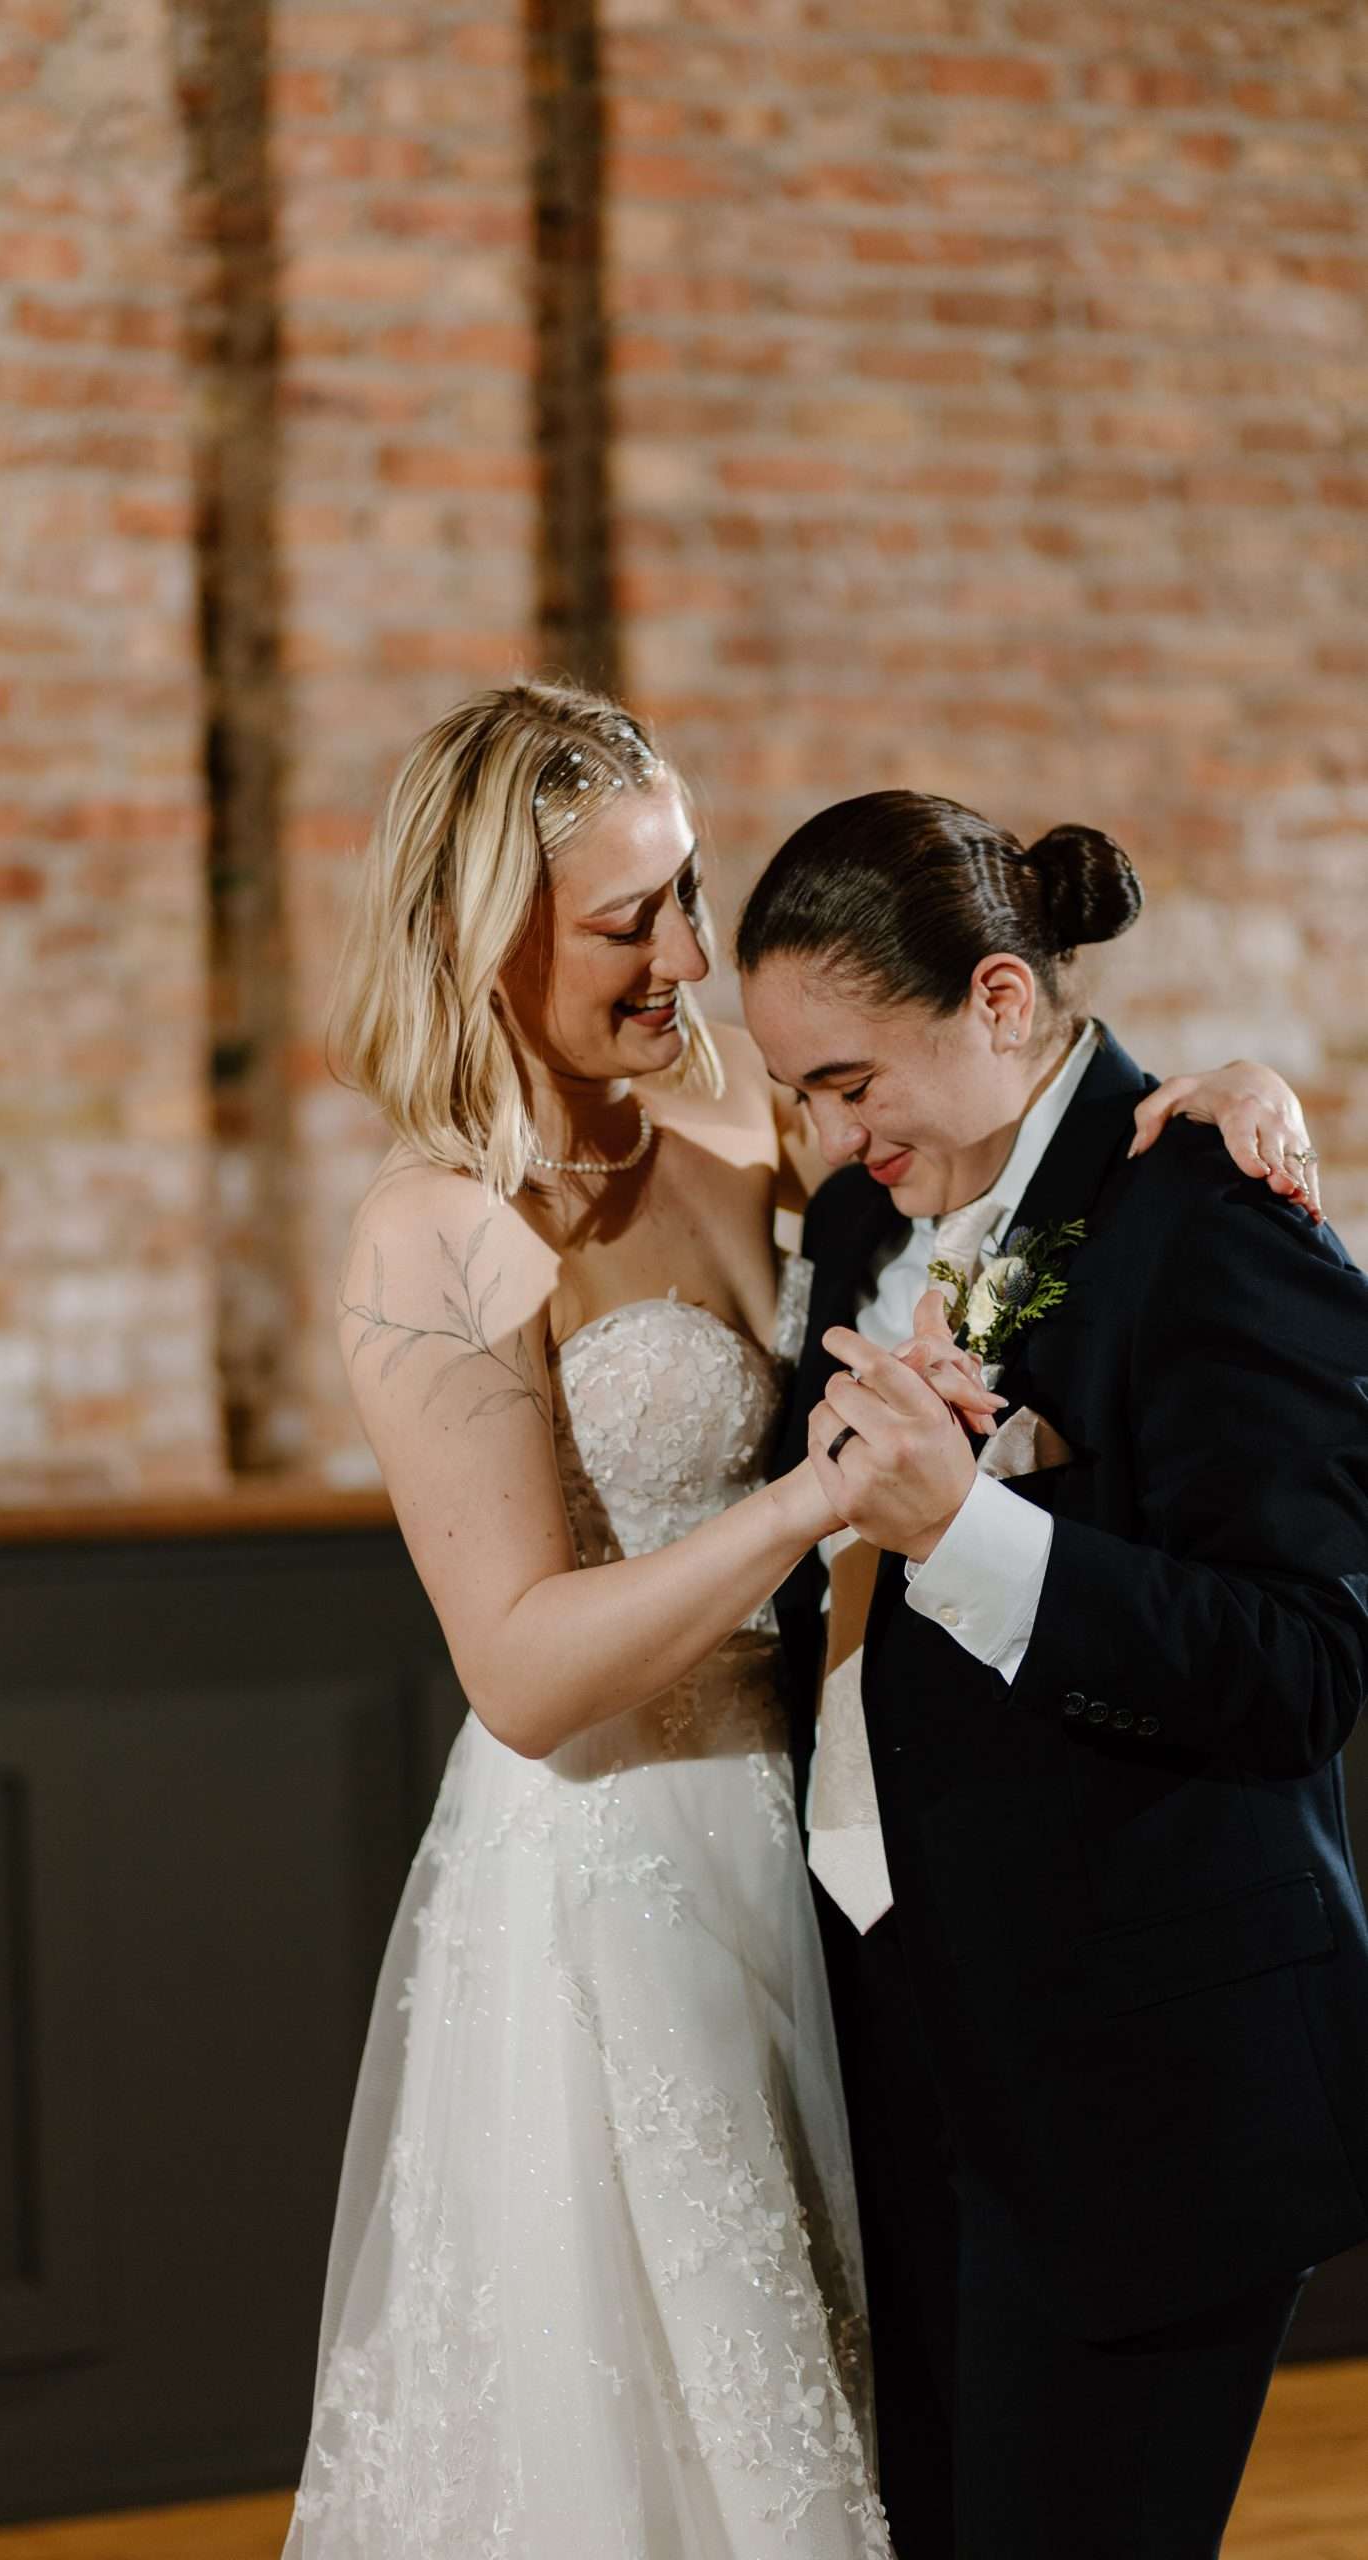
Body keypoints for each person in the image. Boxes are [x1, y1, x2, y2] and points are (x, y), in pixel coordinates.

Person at [285, 687, 1313, 2560]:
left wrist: (1228, 1088)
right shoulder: (431, 1236)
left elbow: (1001, 1132)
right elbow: (519, 1672)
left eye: (685, 895)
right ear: (483, 930)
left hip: (835, 1885)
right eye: (631, 919)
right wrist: (824, 1500)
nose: (688, 956)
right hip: (610, 1887)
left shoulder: (758, 1119)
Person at [739, 788, 1368, 2560]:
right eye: (798, 1090)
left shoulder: (1221, 1216)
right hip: (909, 2053)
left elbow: (1304, 1665)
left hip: (1140, 2097)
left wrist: (973, 1532)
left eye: (848, 1080)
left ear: (1001, 1002)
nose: (824, 1128)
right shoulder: (868, 1228)